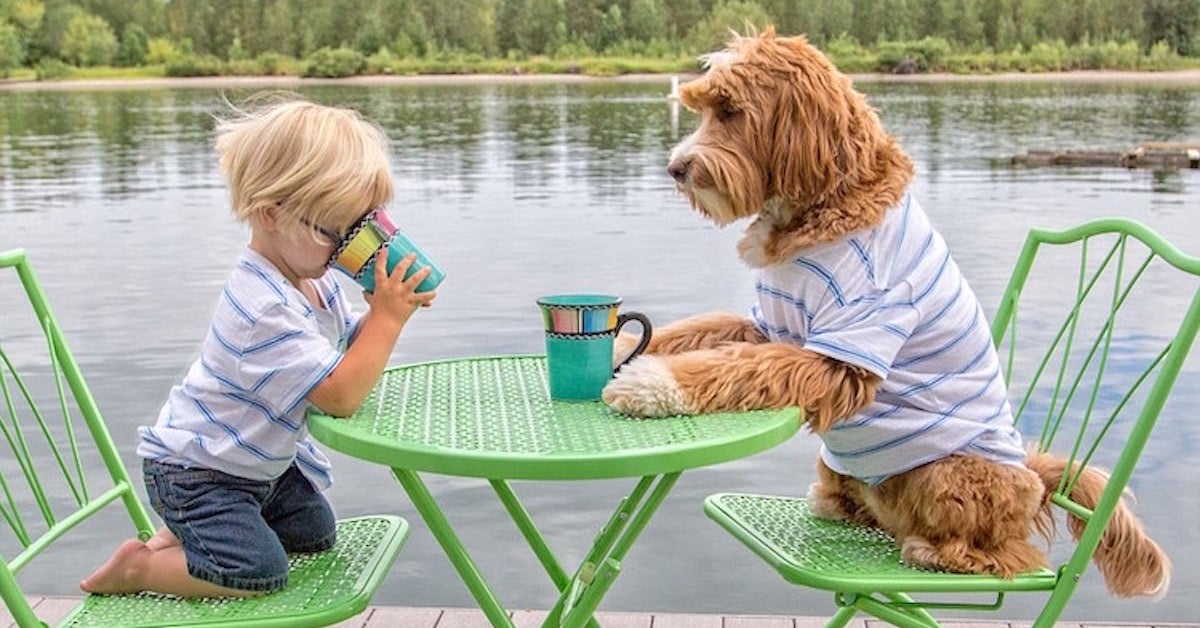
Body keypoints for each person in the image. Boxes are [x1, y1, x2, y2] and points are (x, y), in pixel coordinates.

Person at [80, 96, 437, 597]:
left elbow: (338, 354)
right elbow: (339, 394)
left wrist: (381, 311)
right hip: (197, 473)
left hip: (256, 468)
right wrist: (387, 319)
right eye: (338, 233)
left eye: (364, 229)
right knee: (259, 574)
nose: (349, 251)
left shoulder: (315, 279)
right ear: (272, 214)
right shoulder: (260, 308)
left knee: (314, 538)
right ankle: (138, 569)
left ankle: (183, 535)